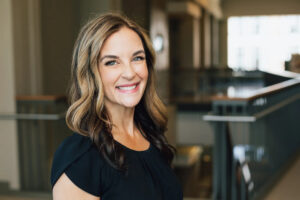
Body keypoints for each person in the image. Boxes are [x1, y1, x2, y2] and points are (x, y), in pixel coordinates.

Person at [50, 13, 183, 200]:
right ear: (91, 73)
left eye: (137, 58)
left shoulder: (151, 135)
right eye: (112, 62)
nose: (129, 73)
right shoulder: (79, 158)